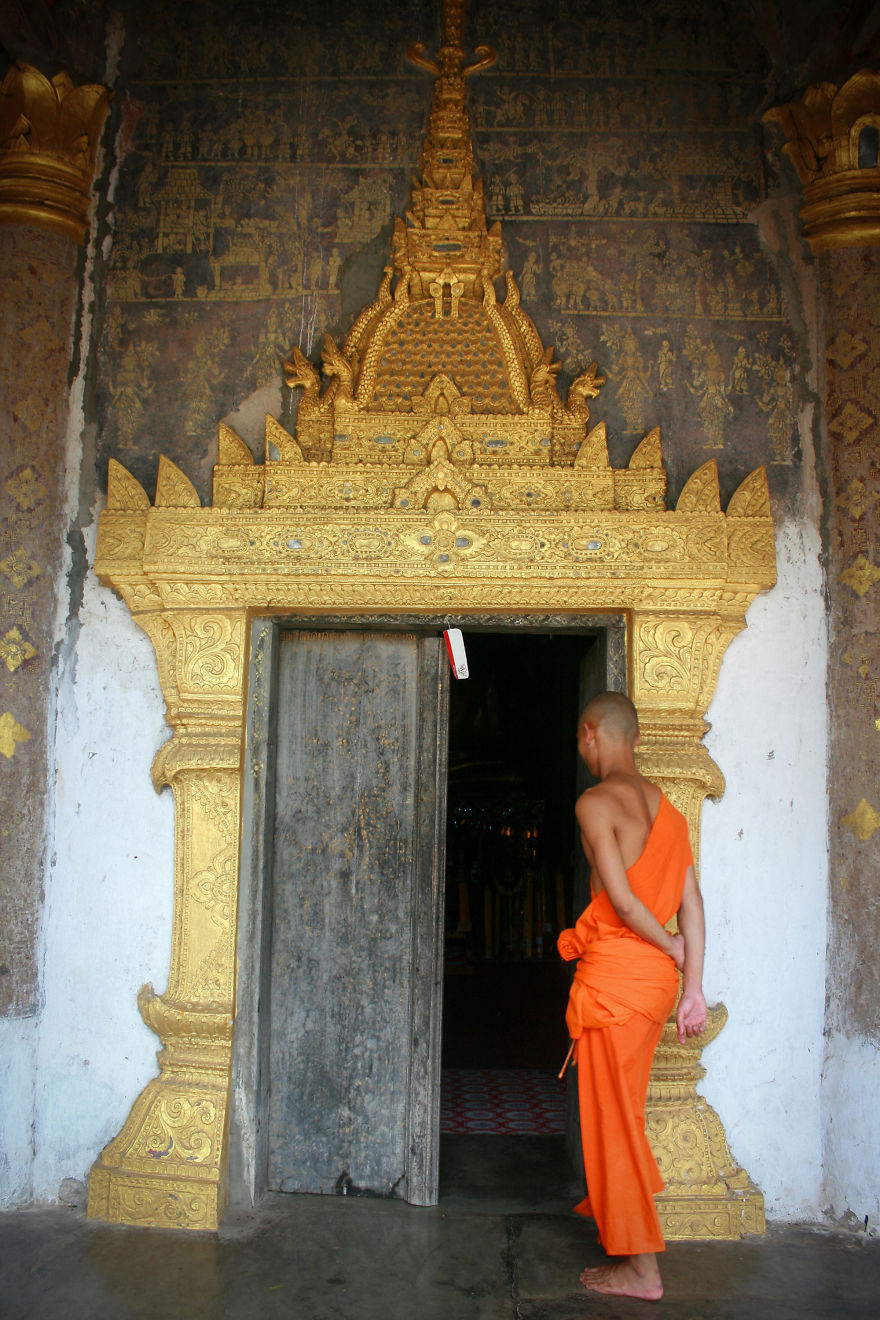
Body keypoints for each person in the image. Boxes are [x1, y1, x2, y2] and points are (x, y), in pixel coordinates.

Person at [557, 691, 707, 1302]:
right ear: (637, 739)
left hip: (620, 980)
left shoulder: (594, 803)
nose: (582, 750)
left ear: (591, 733)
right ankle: (626, 1235)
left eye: (580, 741)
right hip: (653, 992)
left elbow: (622, 901)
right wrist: (692, 985)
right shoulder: (669, 813)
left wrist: (672, 947)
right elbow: (692, 902)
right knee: (629, 1115)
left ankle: (641, 1269)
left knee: (613, 1124)